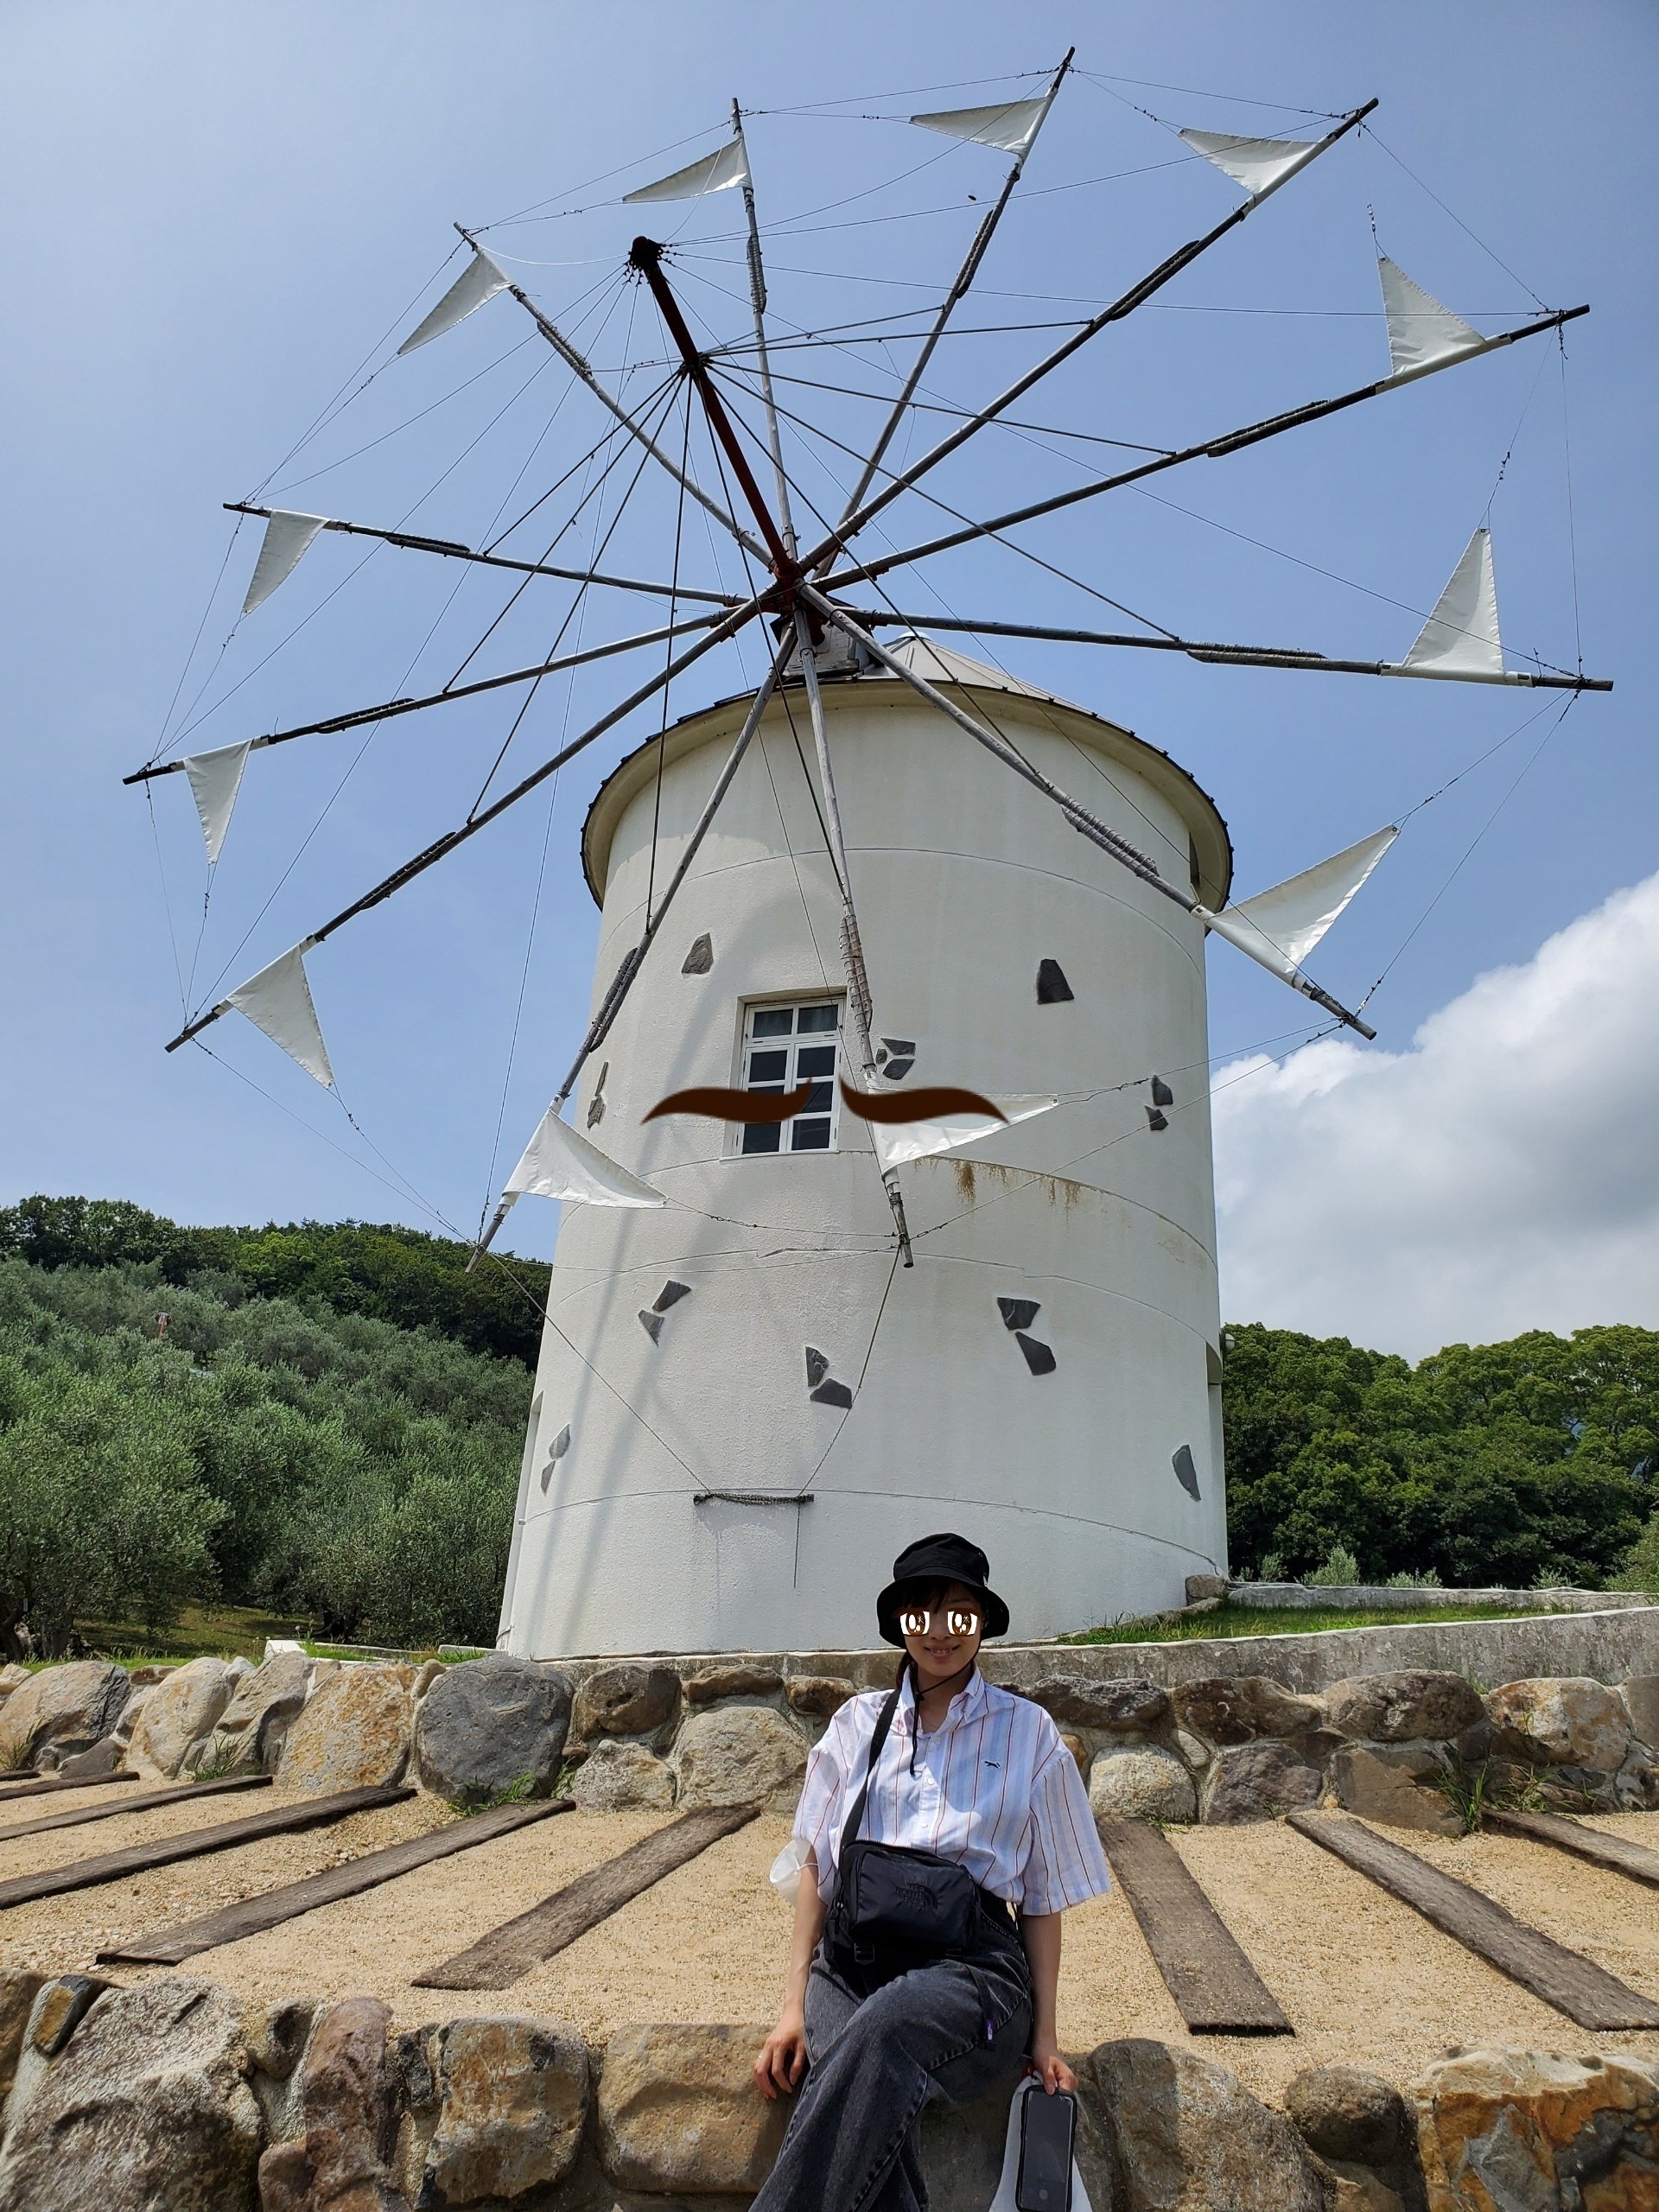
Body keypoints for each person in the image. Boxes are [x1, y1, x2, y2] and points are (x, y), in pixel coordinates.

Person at [752, 1532, 1111, 2212]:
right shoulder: (856, 1725)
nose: (940, 1630)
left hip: (973, 1971)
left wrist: (1045, 2037)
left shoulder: (1029, 1733)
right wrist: (793, 2007)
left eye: (959, 1612)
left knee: (883, 2030)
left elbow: (1042, 1898)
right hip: (851, 1962)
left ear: (981, 1622)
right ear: (901, 1622)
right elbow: (817, 1870)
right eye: (923, 1611)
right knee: (868, 2068)